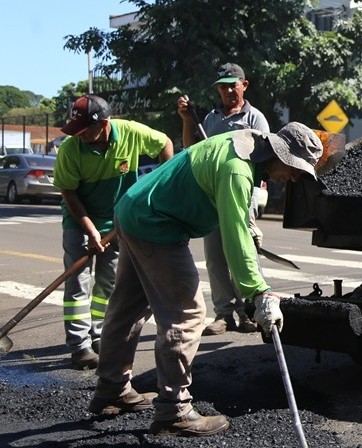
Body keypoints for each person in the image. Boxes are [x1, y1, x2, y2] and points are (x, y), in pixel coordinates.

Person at [87, 122, 323, 436]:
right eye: (294, 167)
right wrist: (259, 293)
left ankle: (111, 389)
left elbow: (232, 221)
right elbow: (235, 236)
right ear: (279, 152)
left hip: (135, 208)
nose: (294, 176)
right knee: (187, 313)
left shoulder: (244, 144)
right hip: (156, 224)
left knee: (128, 307)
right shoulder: (237, 170)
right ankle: (174, 410)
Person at [52, 94, 173, 370]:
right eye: (76, 129)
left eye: (84, 128)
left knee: (108, 282)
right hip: (79, 219)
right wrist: (91, 230)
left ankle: (99, 335)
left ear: (104, 123)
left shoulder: (130, 132)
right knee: (78, 282)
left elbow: (164, 142)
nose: (79, 134)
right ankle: (79, 346)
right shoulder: (71, 149)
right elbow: (68, 193)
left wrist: (165, 182)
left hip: (117, 220)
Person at [176, 62, 270, 336]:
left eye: (233, 84)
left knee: (243, 251)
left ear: (244, 85)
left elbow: (263, 157)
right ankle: (225, 314)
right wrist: (186, 120)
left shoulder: (255, 119)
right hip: (212, 197)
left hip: (241, 196)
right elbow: (192, 150)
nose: (229, 90)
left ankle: (251, 311)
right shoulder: (211, 119)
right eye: (223, 86)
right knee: (216, 258)